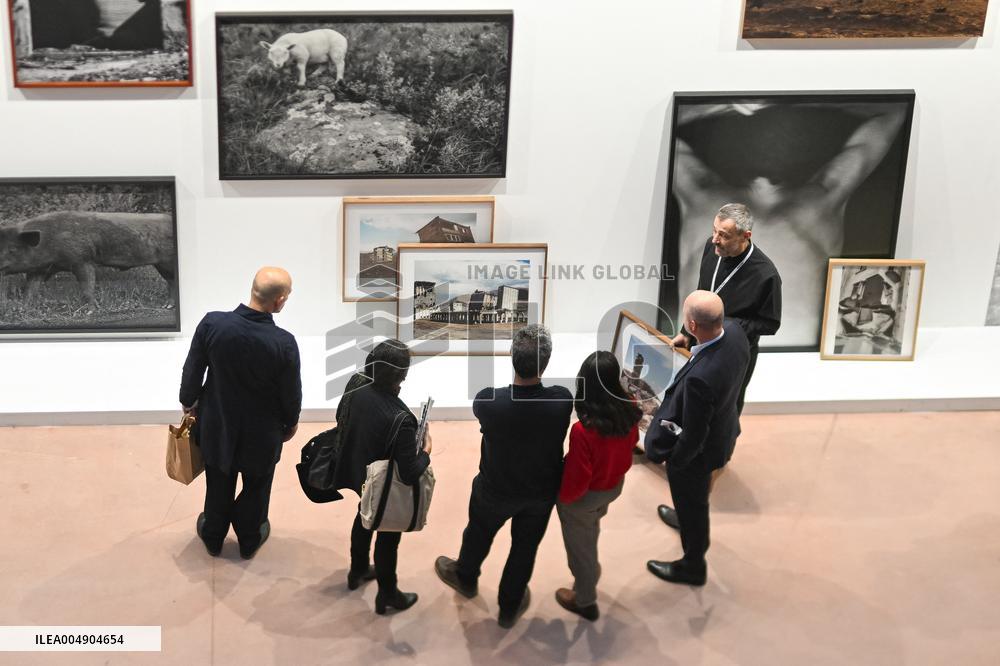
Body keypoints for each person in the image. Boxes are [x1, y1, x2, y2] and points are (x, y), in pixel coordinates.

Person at [434, 324, 573, 629]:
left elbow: (487, 409)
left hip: (495, 488)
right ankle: (509, 607)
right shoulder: (561, 400)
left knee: (478, 532)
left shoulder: (488, 401)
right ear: (546, 363)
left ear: (511, 355)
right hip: (540, 492)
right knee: (525, 548)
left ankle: (466, 578)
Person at [658, 203, 781, 531]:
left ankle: (704, 482)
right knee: (692, 410)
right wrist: (688, 332)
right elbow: (703, 297)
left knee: (720, 419)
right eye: (714, 231)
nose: (715, 241)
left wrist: (726, 327)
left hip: (732, 355)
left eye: (723, 236)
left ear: (745, 236)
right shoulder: (711, 252)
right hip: (702, 343)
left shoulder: (765, 274)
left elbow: (770, 324)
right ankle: (687, 455)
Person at [180, 267, 301, 560]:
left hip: (218, 422)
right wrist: (291, 422)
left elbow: (192, 370)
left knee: (218, 479)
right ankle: (249, 537)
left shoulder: (212, 324)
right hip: (263, 431)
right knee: (258, 484)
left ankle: (213, 534)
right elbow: (291, 392)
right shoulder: (283, 343)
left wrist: (188, 402)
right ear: (279, 300)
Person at [645, 291, 749, 586]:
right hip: (725, 428)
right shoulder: (736, 333)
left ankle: (693, 565)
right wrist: (691, 342)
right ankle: (684, 516)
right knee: (692, 501)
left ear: (691, 324)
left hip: (699, 453)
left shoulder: (701, 379)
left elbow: (694, 433)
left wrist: (676, 462)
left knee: (694, 503)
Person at [332, 339, 431, 615]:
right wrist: (426, 449)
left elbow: (341, 416)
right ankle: (388, 593)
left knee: (363, 515)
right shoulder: (402, 418)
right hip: (383, 485)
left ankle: (359, 569)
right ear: (402, 375)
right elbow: (410, 473)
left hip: (356, 467)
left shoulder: (357, 385)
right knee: (388, 537)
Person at [555, 351, 641, 622]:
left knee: (580, 548)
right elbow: (632, 443)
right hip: (613, 486)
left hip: (585, 497)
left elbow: (578, 478)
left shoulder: (583, 430)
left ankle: (585, 599)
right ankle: (589, 570)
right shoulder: (630, 406)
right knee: (591, 528)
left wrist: (563, 499)